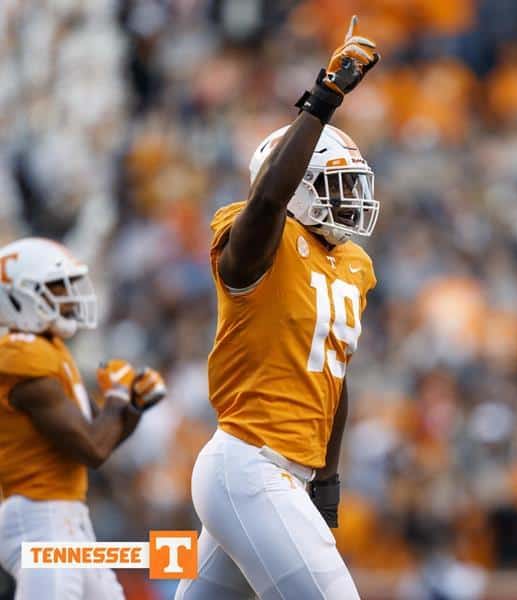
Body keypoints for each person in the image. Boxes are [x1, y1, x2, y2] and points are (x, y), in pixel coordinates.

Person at [175, 16, 380, 600]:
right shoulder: (259, 238)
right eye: (336, 187)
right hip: (249, 465)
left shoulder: (351, 265)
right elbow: (266, 200)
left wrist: (329, 480)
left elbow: (335, 376)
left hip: (288, 473)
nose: (351, 201)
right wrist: (323, 101)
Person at [0, 237, 165, 600]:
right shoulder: (20, 356)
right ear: (20, 295)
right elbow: (92, 448)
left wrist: (132, 406)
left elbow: (101, 438)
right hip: (38, 516)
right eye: (57, 288)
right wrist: (117, 397)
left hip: (68, 518)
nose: (71, 298)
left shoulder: (49, 349)